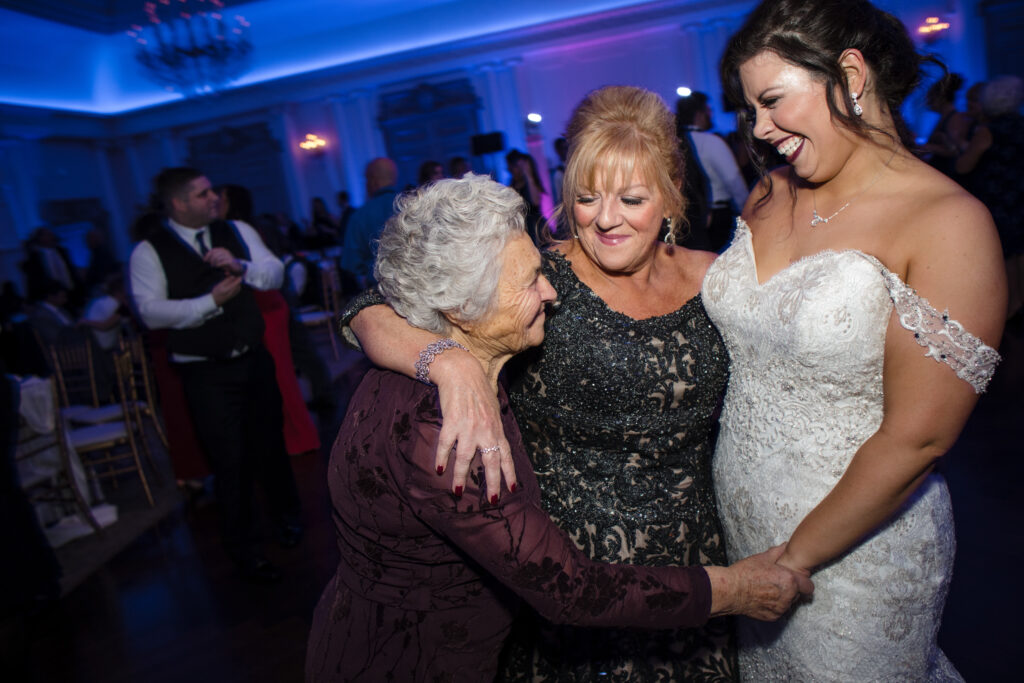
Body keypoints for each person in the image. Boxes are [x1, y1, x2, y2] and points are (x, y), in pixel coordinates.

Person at [308, 173, 811, 682]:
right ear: (461, 307)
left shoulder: (440, 358)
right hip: (416, 659)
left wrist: (448, 360)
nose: (550, 291)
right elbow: (571, 590)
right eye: (529, 281)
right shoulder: (446, 432)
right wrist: (740, 590)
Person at [343, 86, 746, 680]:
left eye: (631, 198)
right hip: (563, 560)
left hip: (692, 546)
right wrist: (447, 363)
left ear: (672, 197)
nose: (604, 219)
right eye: (585, 198)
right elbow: (368, 306)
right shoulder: (536, 275)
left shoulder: (718, 278)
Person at [703, 0, 1005, 678]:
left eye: (774, 101)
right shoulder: (769, 193)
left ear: (850, 74)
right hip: (744, 534)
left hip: (853, 553)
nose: (760, 128)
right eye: (750, 110)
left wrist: (790, 561)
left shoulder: (947, 222)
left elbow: (919, 438)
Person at [129, 167, 303, 582]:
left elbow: (274, 273)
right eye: (203, 193)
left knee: (270, 446)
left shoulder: (236, 229)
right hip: (204, 373)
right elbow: (149, 312)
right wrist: (207, 302)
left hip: (253, 360)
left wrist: (241, 265)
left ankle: (288, 519)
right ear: (178, 203)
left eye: (212, 192)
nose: (213, 198)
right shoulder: (148, 252)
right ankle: (244, 548)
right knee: (230, 460)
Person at [955, 75, 1024, 323]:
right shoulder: (1020, 124)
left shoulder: (987, 130)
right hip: (1018, 196)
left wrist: (960, 145)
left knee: (1004, 255)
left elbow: (965, 165)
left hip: (998, 197)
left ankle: (1010, 309)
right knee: (1018, 254)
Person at [677, 91, 749, 251]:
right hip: (718, 217)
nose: (711, 114)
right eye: (709, 110)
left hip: (688, 218)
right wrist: (748, 211)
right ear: (699, 114)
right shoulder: (712, 142)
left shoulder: (675, 143)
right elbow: (733, 180)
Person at [341, 157, 400, 288]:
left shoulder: (359, 217)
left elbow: (351, 263)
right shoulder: (414, 206)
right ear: (394, 178)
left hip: (380, 294)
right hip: (420, 291)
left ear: (372, 180)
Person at [921, 73, 970, 177]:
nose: (928, 102)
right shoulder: (945, 117)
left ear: (941, 98)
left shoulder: (954, 119)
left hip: (950, 173)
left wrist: (929, 147)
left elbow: (955, 150)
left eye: (931, 98)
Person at [505, 149, 549, 245]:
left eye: (514, 167)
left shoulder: (531, 183)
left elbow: (535, 201)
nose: (511, 170)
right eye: (510, 167)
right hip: (521, 230)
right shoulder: (510, 187)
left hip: (537, 228)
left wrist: (528, 175)